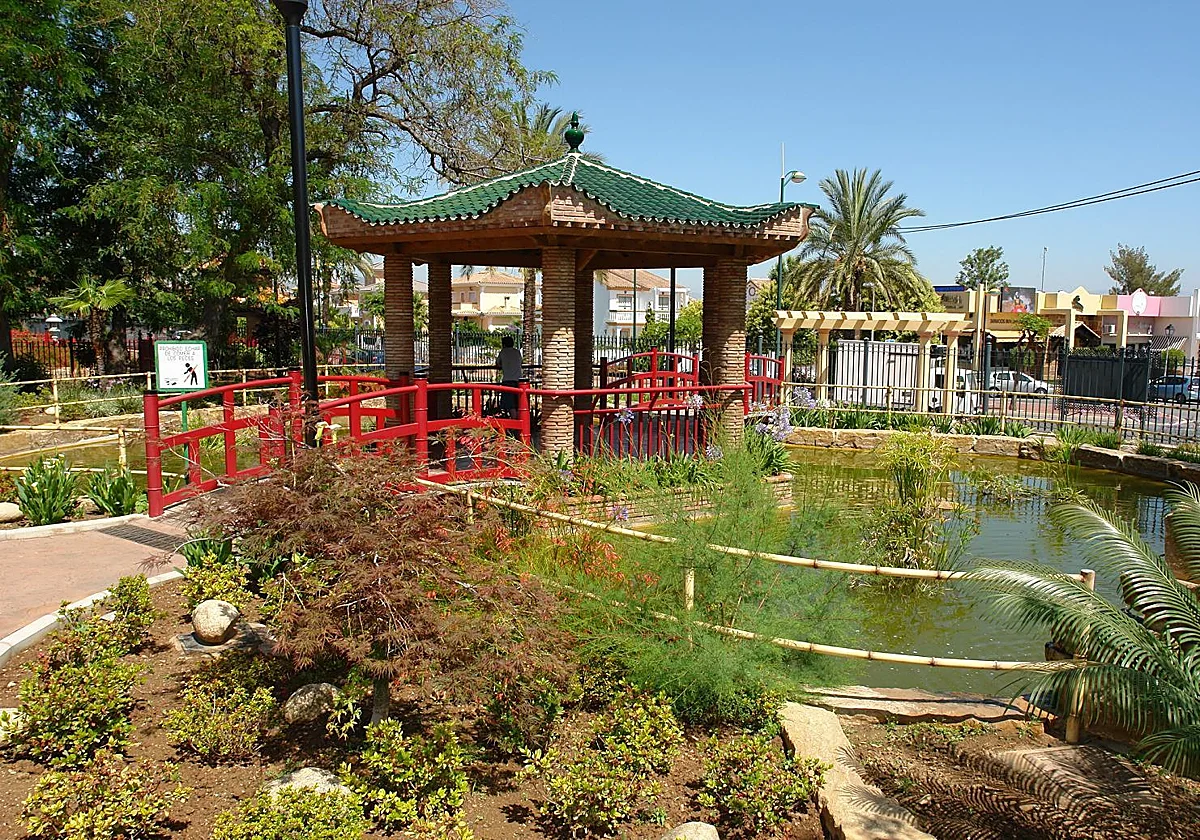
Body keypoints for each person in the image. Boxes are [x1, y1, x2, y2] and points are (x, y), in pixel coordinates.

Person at [495, 335, 522, 416]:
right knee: (518, 403)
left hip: (507, 380)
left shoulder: (503, 352)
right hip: (518, 381)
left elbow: (498, 364)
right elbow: (520, 362)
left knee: (510, 404)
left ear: (503, 344)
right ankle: (518, 420)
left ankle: (514, 422)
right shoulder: (517, 352)